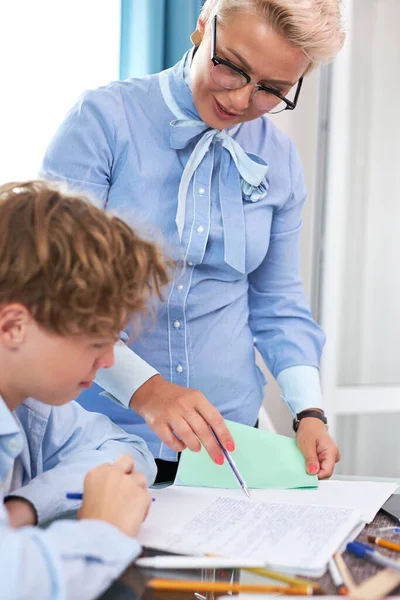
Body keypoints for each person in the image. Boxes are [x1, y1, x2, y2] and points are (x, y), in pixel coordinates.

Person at [41, 0, 345, 483]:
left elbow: (278, 303)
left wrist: (310, 412)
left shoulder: (280, 159)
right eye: (234, 68)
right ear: (203, 26)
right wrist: (146, 390)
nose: (242, 101)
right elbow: (54, 295)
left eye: (272, 89)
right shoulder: (101, 122)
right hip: (96, 438)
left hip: (227, 449)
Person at [0, 180, 170, 600]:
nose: (109, 361)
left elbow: (128, 450)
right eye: (95, 342)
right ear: (13, 327)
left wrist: (27, 505)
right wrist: (103, 531)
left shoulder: (31, 403)